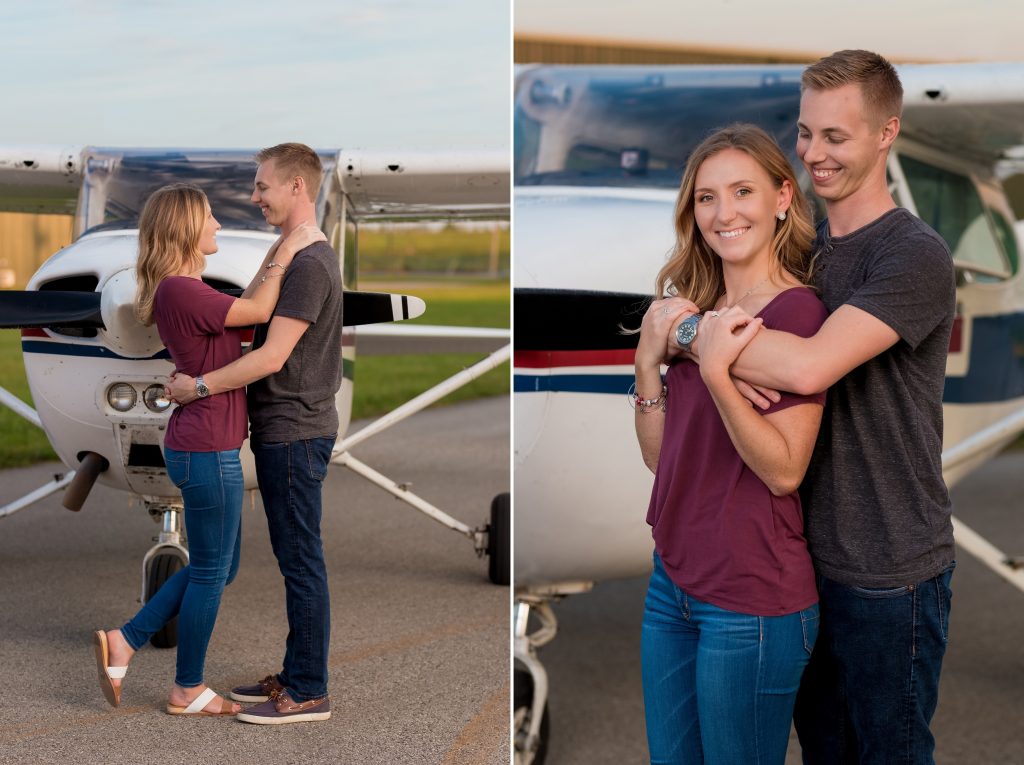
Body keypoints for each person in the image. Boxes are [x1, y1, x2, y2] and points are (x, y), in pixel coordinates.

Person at [680, 51, 956, 764]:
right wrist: (703, 336)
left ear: (885, 132)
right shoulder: (807, 258)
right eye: (806, 133)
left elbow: (808, 364)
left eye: (837, 136)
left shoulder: (913, 255)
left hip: (888, 565)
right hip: (803, 562)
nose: (814, 153)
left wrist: (680, 331)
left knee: (887, 752)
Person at [634, 123, 828, 764]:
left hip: (751, 600)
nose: (724, 213)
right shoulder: (694, 310)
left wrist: (714, 370)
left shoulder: (798, 315)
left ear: (782, 199)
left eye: (742, 191)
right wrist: (646, 364)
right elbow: (662, 460)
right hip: (673, 585)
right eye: (706, 197)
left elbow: (784, 472)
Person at [92, 183, 323, 716]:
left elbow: (246, 305)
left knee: (221, 567)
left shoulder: (184, 289)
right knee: (211, 572)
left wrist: (284, 241)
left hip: (204, 444)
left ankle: (126, 640)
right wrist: (290, 247)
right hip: (206, 448)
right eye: (210, 218)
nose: (219, 225)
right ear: (185, 230)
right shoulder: (182, 290)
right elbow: (262, 307)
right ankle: (187, 688)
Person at [167, 143, 343, 725]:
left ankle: (309, 691)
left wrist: (198, 386)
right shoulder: (290, 251)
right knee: (294, 557)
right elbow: (247, 312)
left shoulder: (310, 262)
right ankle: (295, 674)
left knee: (300, 561)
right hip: (280, 428)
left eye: (263, 187)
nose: (253, 196)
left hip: (294, 428)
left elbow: (271, 357)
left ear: (297, 186)